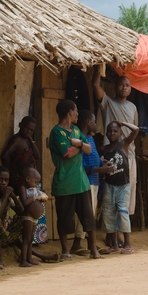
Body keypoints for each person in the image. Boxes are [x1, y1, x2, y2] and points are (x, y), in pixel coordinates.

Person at [49, 99, 101, 260]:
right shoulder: (57, 132)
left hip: (81, 182)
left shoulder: (77, 130)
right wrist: (80, 146)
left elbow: (89, 149)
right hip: (65, 183)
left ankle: (93, 249)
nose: (77, 114)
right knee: (64, 219)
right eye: (76, 111)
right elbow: (68, 153)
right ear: (70, 112)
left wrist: (78, 144)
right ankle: (65, 251)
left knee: (88, 218)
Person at [92, 69, 139, 214]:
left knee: (127, 194)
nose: (124, 87)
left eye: (127, 85)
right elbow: (95, 85)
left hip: (129, 155)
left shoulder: (133, 107)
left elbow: (135, 130)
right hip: (112, 156)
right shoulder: (108, 102)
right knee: (111, 193)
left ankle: (122, 229)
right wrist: (100, 67)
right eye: (121, 85)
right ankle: (112, 232)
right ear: (115, 87)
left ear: (130, 89)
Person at [1, 117, 48, 245]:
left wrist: (31, 141)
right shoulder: (16, 140)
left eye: (31, 130)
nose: (28, 131)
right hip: (21, 179)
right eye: (27, 128)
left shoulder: (28, 141)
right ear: (20, 125)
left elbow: (37, 156)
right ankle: (23, 238)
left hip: (31, 180)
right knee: (25, 207)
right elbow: (5, 155)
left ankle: (36, 238)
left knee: (37, 203)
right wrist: (12, 174)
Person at [70, 111, 105, 254]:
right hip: (87, 180)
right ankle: (77, 243)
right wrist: (100, 169)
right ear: (87, 122)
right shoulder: (80, 139)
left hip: (94, 180)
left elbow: (94, 158)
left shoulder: (90, 138)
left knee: (91, 212)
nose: (95, 124)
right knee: (87, 213)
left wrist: (102, 163)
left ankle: (90, 243)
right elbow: (81, 164)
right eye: (94, 121)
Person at [101, 120, 138, 253]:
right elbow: (100, 165)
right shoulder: (104, 150)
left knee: (123, 212)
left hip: (123, 186)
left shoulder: (123, 144)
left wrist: (122, 123)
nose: (112, 133)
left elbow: (136, 130)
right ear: (106, 134)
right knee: (108, 213)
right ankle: (114, 245)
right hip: (109, 186)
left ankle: (127, 244)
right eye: (110, 131)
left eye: (115, 131)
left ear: (120, 133)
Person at [15, 166, 51, 267]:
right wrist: (35, 198)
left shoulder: (33, 189)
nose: (37, 185)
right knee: (26, 239)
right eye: (35, 182)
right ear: (27, 179)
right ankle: (23, 260)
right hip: (28, 217)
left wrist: (42, 197)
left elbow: (40, 195)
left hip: (35, 218)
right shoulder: (23, 188)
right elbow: (25, 202)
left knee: (31, 238)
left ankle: (29, 258)